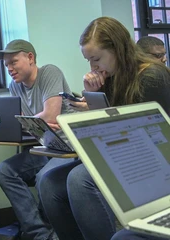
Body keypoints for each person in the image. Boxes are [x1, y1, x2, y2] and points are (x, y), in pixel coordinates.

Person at [38, 17, 170, 240]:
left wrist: (94, 107)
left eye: (96, 59)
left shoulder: (152, 76)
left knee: (79, 180)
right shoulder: (112, 77)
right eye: (88, 60)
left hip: (153, 158)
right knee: (49, 183)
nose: (93, 67)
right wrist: (93, 97)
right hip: (122, 153)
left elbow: (137, 134)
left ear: (118, 50)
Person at [0, 39, 75, 240]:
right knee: (4, 171)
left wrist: (32, 121)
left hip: (68, 148)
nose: (10, 69)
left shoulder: (49, 72)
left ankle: (53, 231)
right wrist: (33, 122)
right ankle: (39, 234)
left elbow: (50, 116)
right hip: (45, 146)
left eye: (13, 62)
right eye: (6, 65)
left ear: (30, 58)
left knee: (43, 178)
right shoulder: (15, 86)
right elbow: (27, 124)